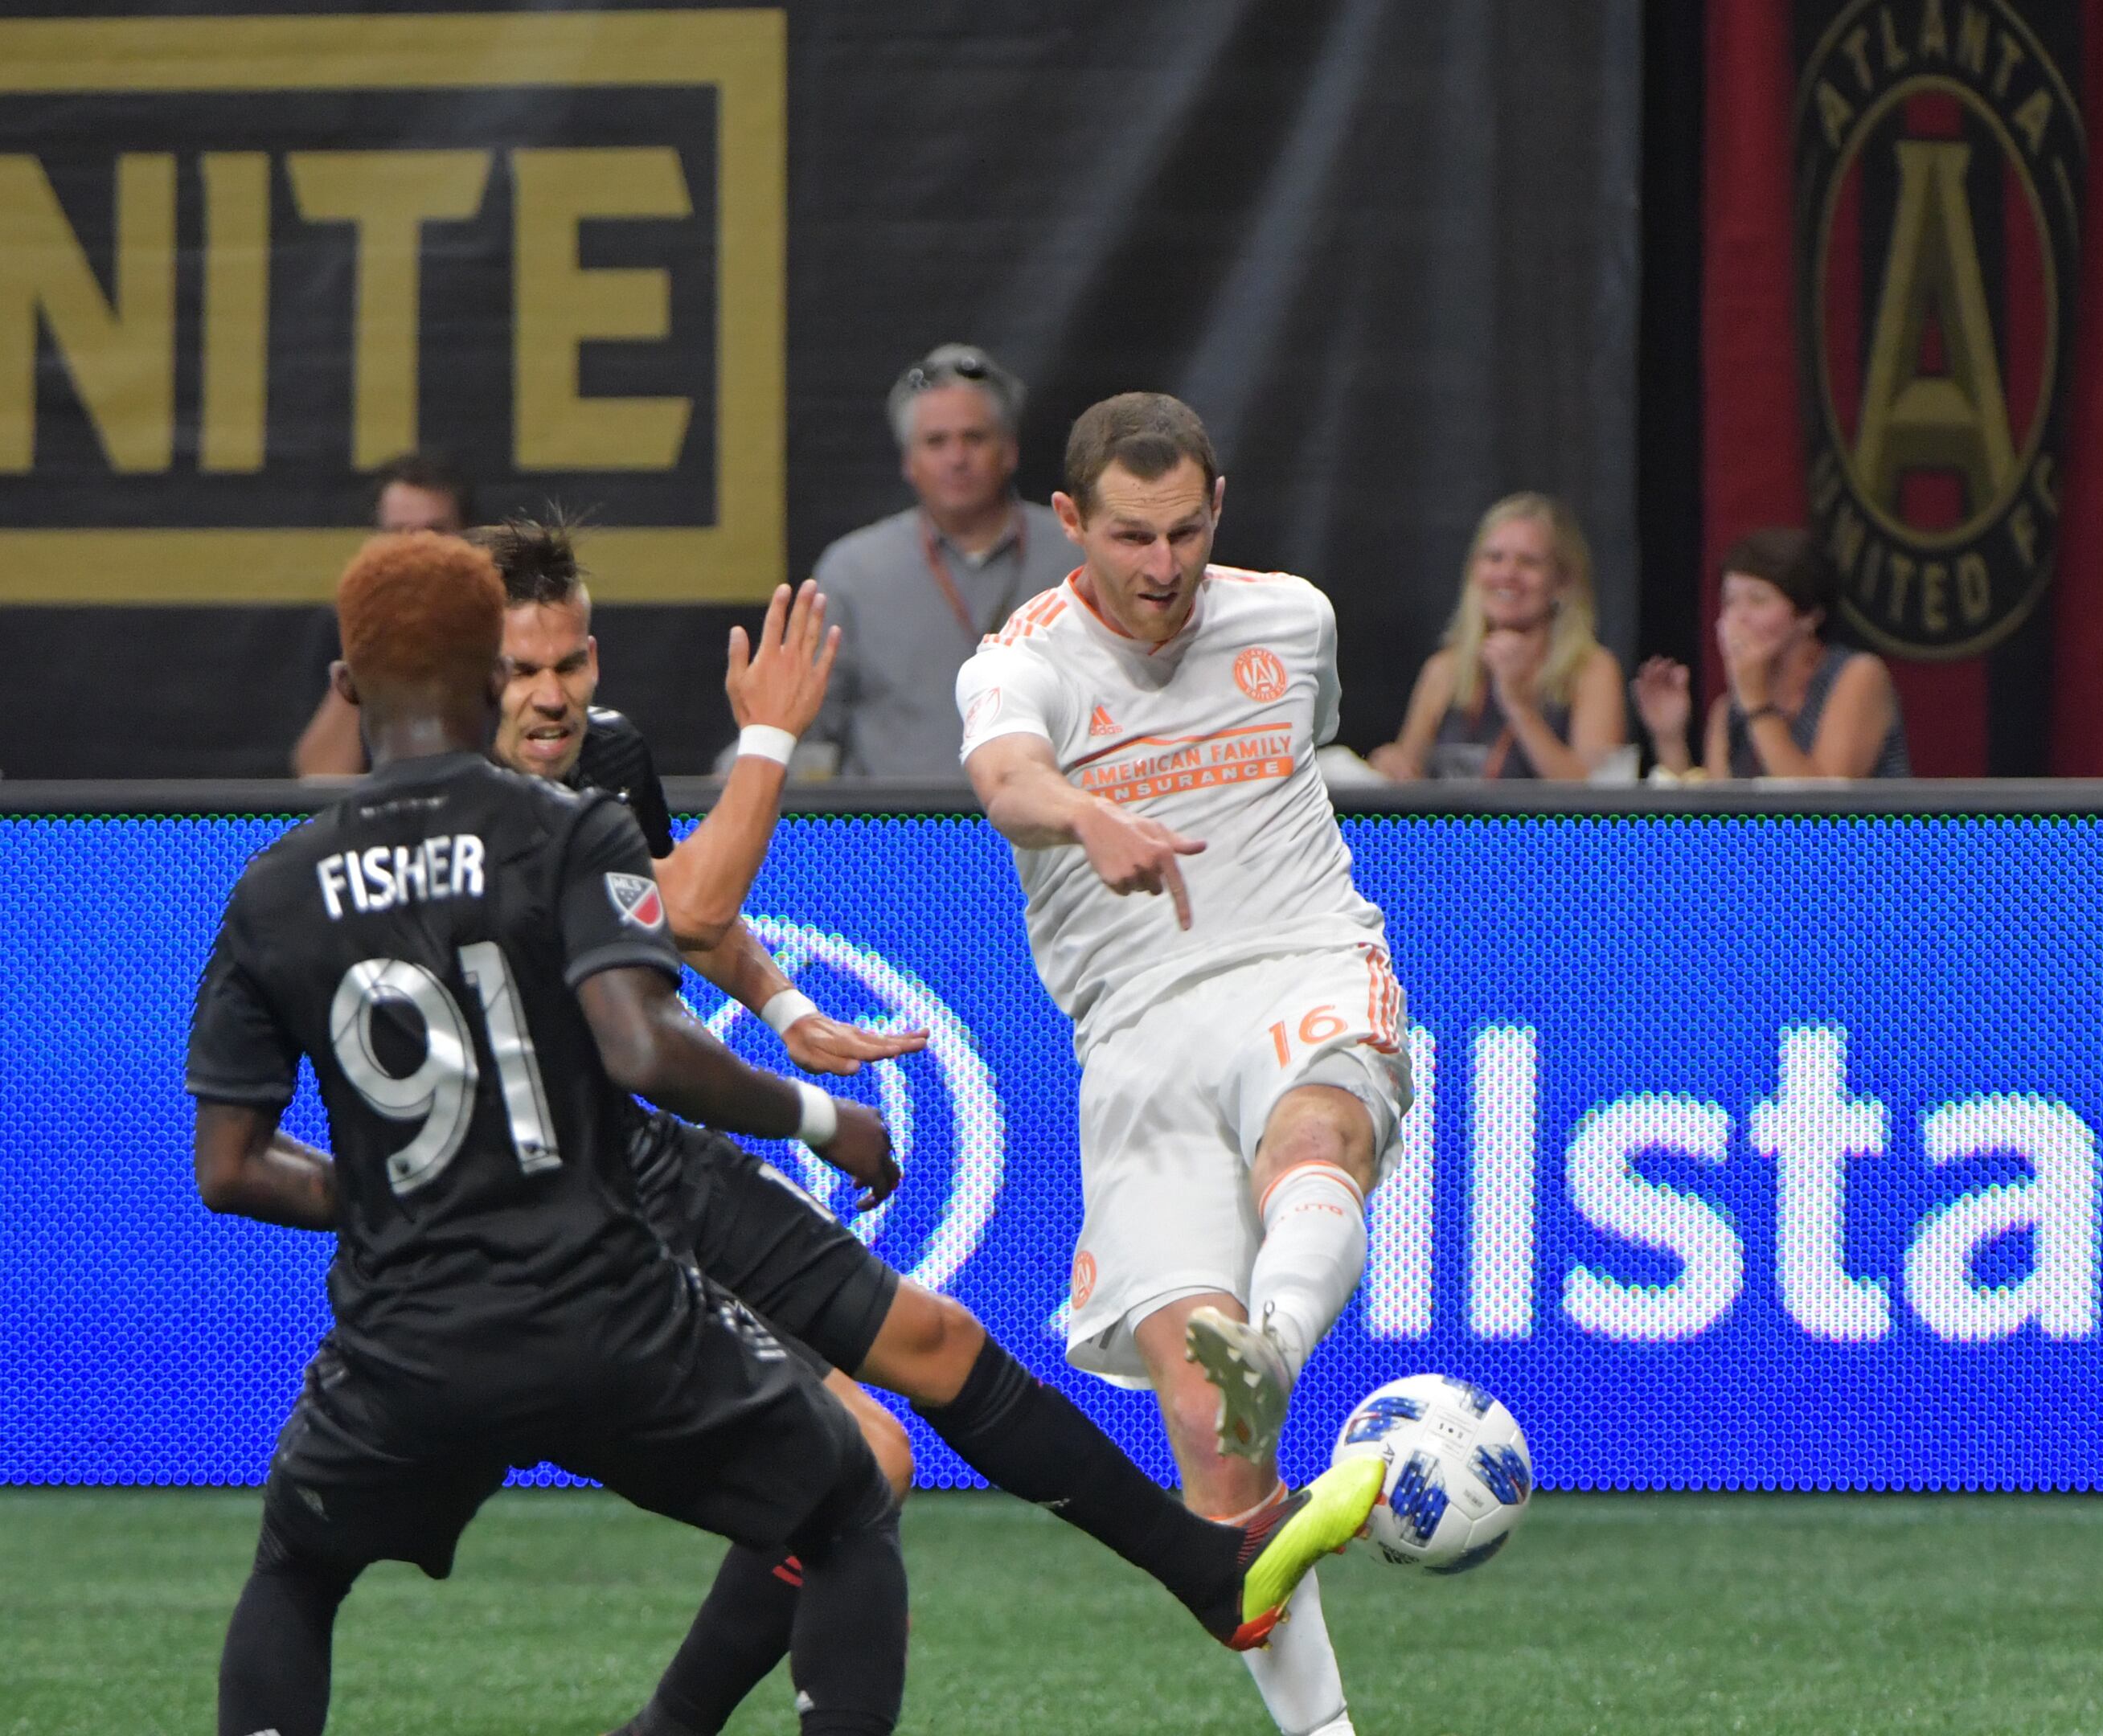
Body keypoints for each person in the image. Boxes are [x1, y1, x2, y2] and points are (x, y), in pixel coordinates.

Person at [438, 520, 1384, 1736]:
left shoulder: (603, 755)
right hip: (533, 1209)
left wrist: (785, 1008)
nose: (553, 695)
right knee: (862, 1460)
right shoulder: (453, 807)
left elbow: (676, 912)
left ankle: (1212, 1571)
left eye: (571, 662)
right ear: (470, 672)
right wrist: (772, 737)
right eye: (522, 672)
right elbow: (698, 896)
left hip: (640, 1158)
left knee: (931, 1352)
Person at [186, 530, 913, 1736]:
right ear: (491, 676)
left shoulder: (272, 891)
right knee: (843, 1504)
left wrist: (392, 1193)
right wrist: (822, 1114)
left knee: (299, 1574)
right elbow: (641, 1044)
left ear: (347, 687)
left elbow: (228, 1168)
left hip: (408, 1341)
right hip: (606, 1314)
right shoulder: (567, 830)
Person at [959, 391, 1411, 1736]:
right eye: (1130, 538)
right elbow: (1003, 778)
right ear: (1069, 524)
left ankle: (1278, 1334)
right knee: (1216, 1451)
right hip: (1135, 1030)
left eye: (1186, 532)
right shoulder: (1021, 659)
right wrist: (1083, 811)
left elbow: (1313, 731)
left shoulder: (1292, 617)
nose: (1162, 568)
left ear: (1220, 503)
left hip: (1301, 960)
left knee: (1316, 1139)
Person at [802, 343, 1082, 778]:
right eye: (936, 442)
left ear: (1010, 451)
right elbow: (807, 724)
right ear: (908, 463)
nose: (957, 459)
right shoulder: (855, 571)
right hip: (898, 836)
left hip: (1054, 830)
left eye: (974, 438)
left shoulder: (1077, 553)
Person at [1368, 492, 1628, 780]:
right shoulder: (1444, 670)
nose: (1507, 574)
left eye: (1528, 562)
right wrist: (1389, 766)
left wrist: (1518, 706)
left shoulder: (1592, 670)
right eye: (1494, 558)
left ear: (1562, 582)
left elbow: (1595, 799)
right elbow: (1407, 778)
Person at [1633, 526, 1909, 779]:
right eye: (1730, 601)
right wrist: (1670, 738)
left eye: (1758, 600)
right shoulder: (1729, 711)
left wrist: (1757, 703)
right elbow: (1712, 823)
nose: (1738, 618)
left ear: (1809, 616)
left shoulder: (1857, 675)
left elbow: (1820, 812)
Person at [290, 451, 479, 777]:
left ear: (468, 538)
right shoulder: (341, 628)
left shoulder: (506, 622)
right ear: (376, 543)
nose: (419, 548)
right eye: (401, 533)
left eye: (436, 531)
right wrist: (370, 642)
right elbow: (320, 779)